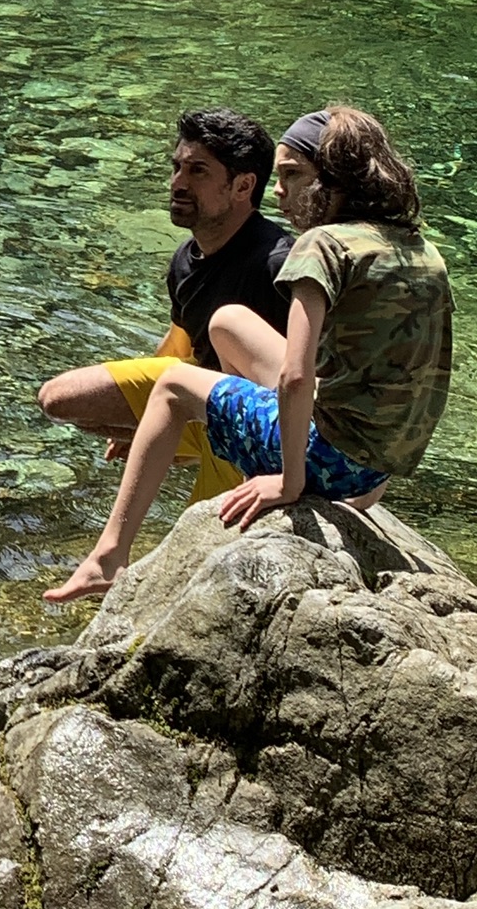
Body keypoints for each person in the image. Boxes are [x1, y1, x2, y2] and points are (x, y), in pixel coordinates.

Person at [45, 106, 454, 604]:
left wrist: (290, 482)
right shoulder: (421, 251)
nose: (277, 190)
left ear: (332, 180)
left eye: (291, 175)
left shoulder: (320, 246)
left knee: (173, 388)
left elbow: (296, 378)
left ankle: (106, 559)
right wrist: (376, 476)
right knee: (227, 321)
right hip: (373, 467)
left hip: (322, 461)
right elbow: (426, 376)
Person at [39, 109, 290, 511]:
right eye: (177, 168)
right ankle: (189, 443)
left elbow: (312, 375)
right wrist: (152, 420)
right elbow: (178, 348)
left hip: (253, 425)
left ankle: (211, 456)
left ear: (243, 186)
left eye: (198, 172)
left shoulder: (277, 264)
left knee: (207, 532)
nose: (177, 184)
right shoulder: (185, 261)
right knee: (60, 398)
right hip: (199, 402)